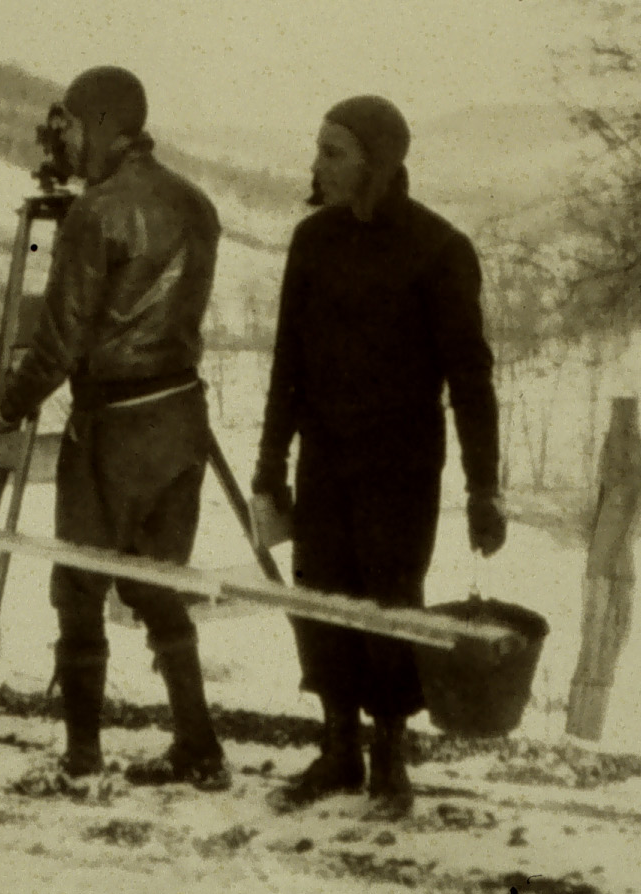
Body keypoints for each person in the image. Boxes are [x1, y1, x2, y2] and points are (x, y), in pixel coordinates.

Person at [251, 95, 506, 821]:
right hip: (324, 459)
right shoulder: (313, 241)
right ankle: (338, 751)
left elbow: (471, 379)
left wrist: (485, 488)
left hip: (401, 466)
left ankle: (390, 757)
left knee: (390, 607)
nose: (316, 166)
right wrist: (272, 458)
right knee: (320, 599)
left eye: (334, 152)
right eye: (318, 149)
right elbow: (286, 365)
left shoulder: (440, 250)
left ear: (378, 160)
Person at [0, 66, 230, 791]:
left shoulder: (95, 215)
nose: (63, 142)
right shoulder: (198, 202)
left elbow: (54, 339)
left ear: (97, 124)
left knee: (79, 589)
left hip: (114, 428)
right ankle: (199, 745)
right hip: (181, 418)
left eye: (71, 128)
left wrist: (7, 405)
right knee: (159, 586)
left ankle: (83, 758)